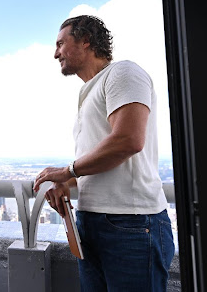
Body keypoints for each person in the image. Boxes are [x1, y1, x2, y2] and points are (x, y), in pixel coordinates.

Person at [34, 15, 174, 291]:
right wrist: (67, 181)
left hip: (130, 223)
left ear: (86, 40)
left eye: (61, 44)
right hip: (92, 221)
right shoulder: (89, 91)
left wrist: (66, 171)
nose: (55, 53)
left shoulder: (123, 73)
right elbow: (106, 159)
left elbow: (128, 140)